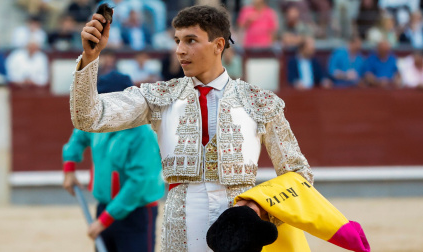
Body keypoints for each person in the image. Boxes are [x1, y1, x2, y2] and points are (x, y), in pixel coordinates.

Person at [71, 5, 313, 251]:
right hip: (179, 234)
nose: (179, 50)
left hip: (241, 236)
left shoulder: (259, 102)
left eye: (190, 40)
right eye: (177, 41)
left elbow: (299, 174)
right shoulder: (160, 96)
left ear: (218, 45)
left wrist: (257, 208)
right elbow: (88, 117)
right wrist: (90, 59)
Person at [62, 70, 164, 252]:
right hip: (105, 207)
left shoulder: (143, 133)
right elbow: (79, 135)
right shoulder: (99, 120)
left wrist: (104, 221)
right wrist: (69, 168)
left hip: (137, 212)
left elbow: (138, 183)